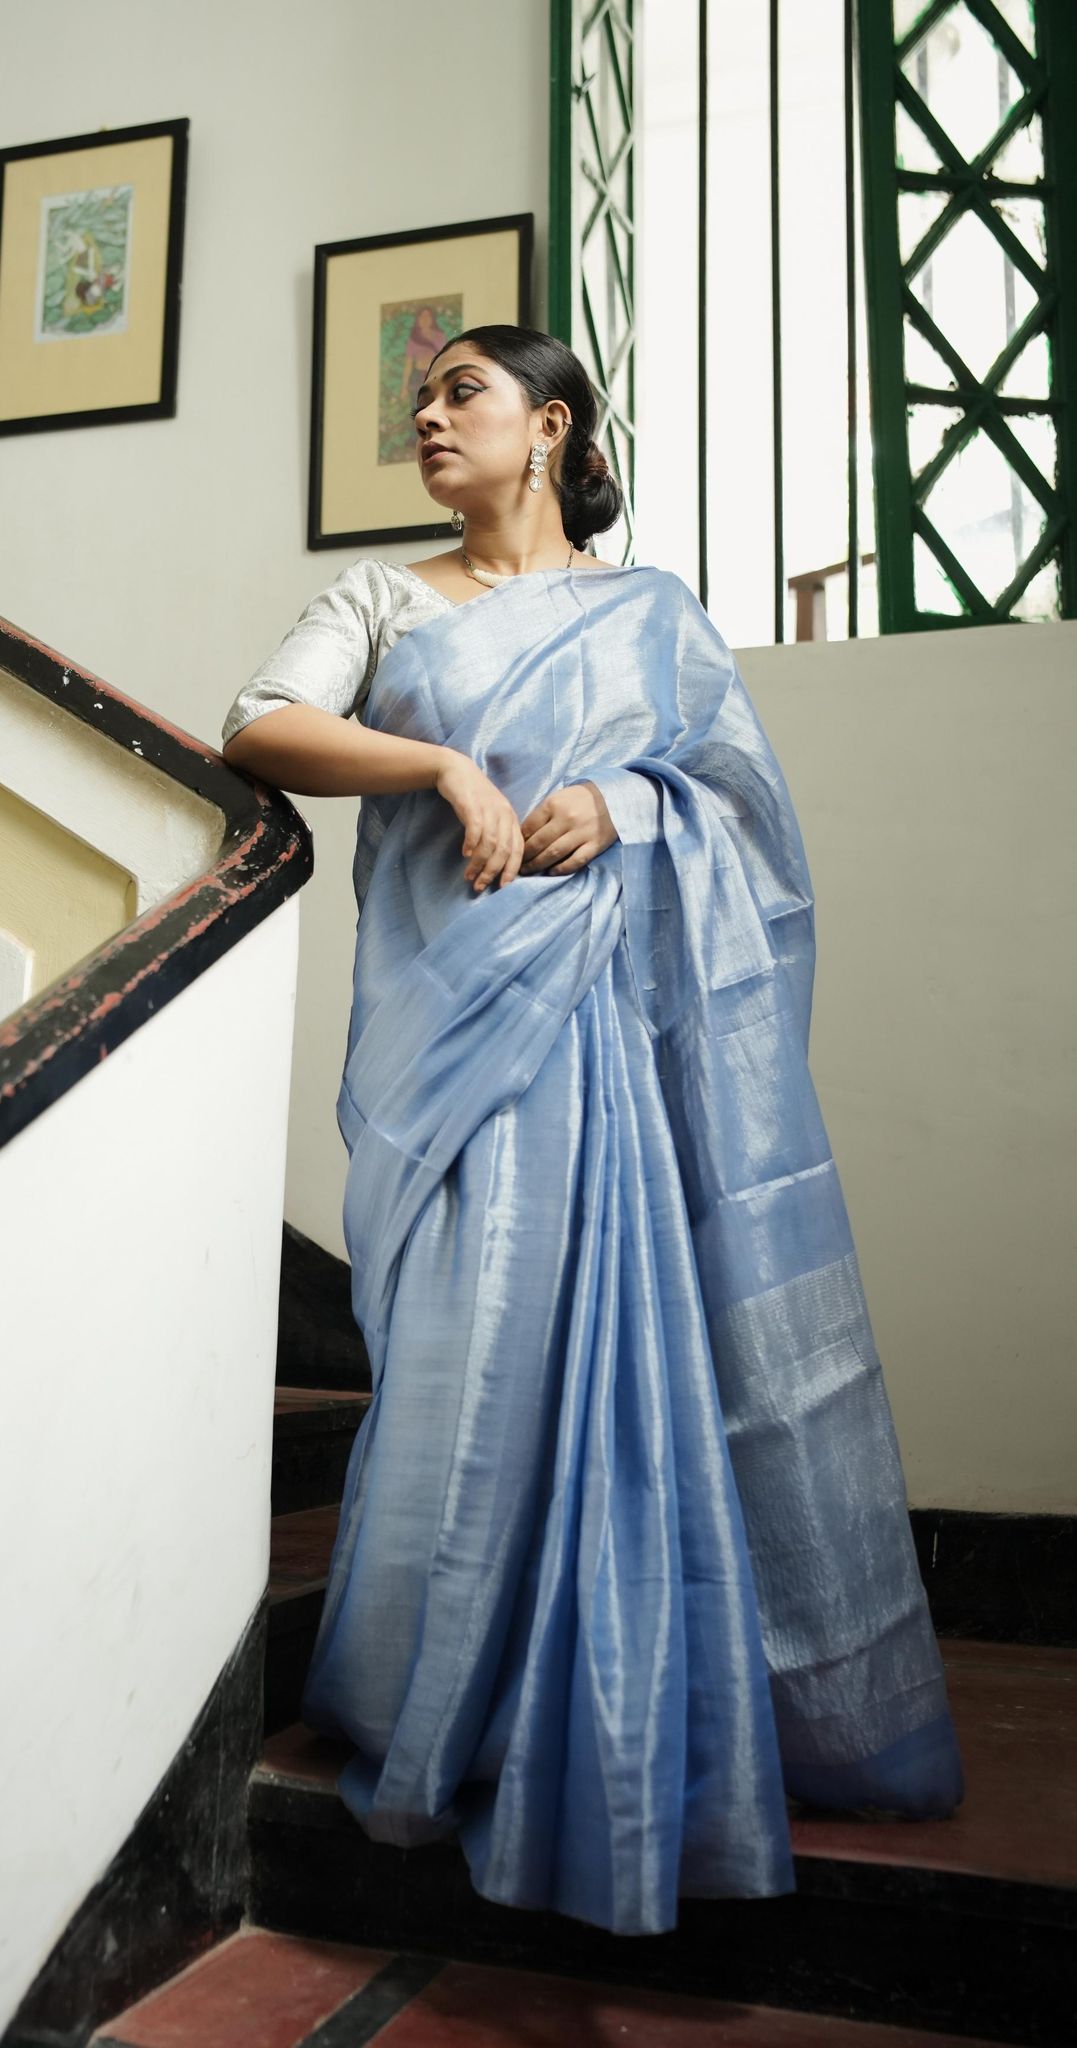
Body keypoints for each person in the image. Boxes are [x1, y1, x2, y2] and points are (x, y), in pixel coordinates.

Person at [219, 325, 964, 1938]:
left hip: (612, 1038)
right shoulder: (381, 598)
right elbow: (259, 724)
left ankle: (629, 1708)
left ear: (550, 427)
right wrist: (444, 769)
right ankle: (444, 1690)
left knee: (629, 1353)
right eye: (420, 400)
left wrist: (625, 804)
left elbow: (742, 809)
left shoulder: (652, 615)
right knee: (466, 1351)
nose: (428, 418)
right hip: (452, 1038)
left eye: (462, 394)